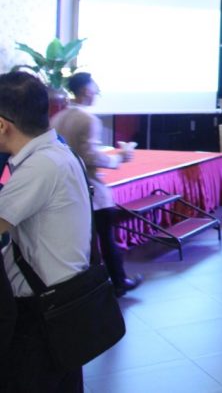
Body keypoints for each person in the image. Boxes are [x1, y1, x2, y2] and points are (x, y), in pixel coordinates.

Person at [0, 71, 92, 391]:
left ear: (3, 125)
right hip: (65, 303)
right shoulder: (58, 152)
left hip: (42, 312)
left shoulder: (40, 167)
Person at [50, 72, 143, 297]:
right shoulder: (88, 119)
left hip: (67, 190)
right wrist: (119, 158)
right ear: (85, 90)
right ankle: (118, 282)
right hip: (91, 191)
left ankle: (87, 288)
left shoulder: (58, 119)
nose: (97, 91)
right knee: (106, 239)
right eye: (94, 87)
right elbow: (89, 156)